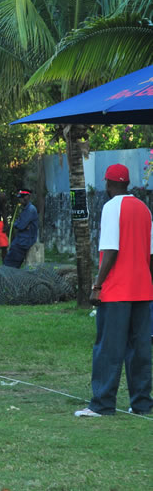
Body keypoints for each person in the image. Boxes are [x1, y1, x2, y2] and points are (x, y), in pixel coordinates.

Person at [76, 164, 153, 417]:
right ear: (127, 183)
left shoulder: (111, 207)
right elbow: (150, 254)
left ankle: (102, 404)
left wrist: (97, 286)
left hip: (117, 290)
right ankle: (141, 403)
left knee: (108, 348)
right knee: (139, 349)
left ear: (108, 184)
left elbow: (110, 250)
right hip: (143, 290)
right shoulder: (144, 208)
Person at [3, 189, 38, 268]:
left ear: (28, 197)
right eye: (20, 198)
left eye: (23, 197)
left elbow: (21, 225)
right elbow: (16, 223)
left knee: (11, 263)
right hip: (20, 239)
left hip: (25, 241)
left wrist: (19, 224)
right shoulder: (24, 209)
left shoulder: (30, 209)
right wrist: (19, 224)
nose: (21, 199)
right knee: (9, 260)